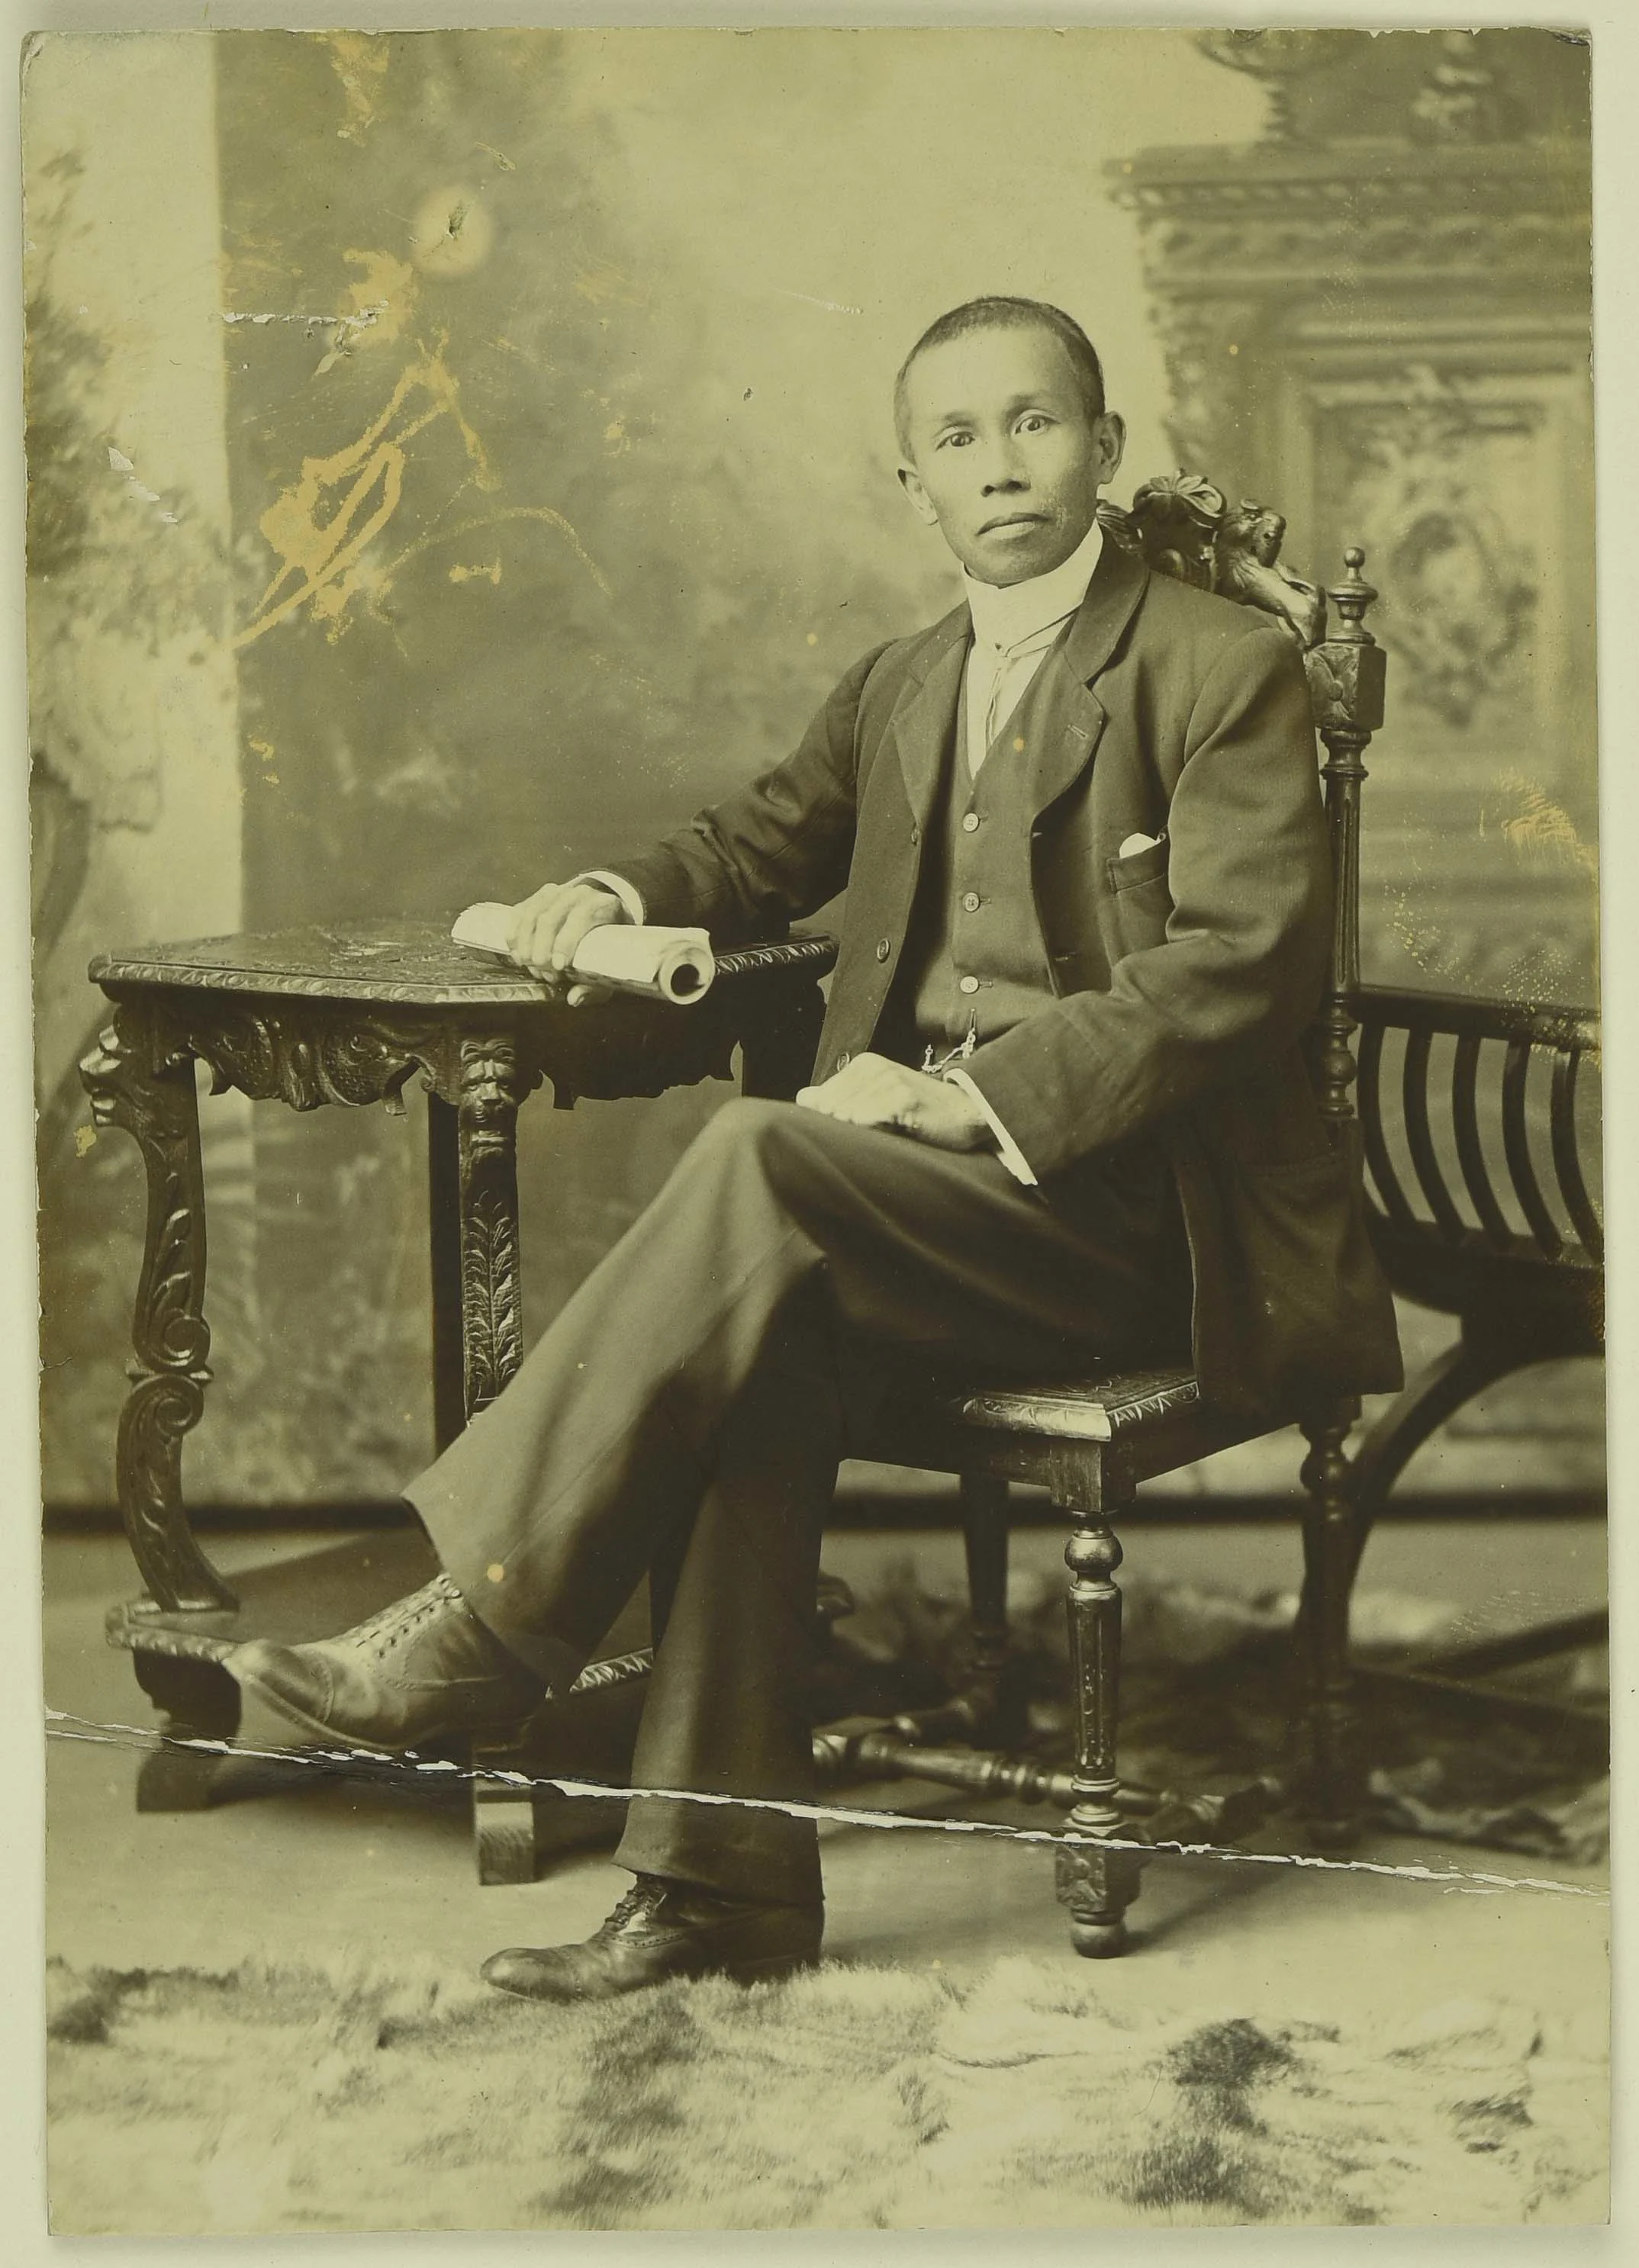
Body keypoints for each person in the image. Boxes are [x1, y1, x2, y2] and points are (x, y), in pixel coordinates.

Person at [228, 296, 1401, 2003]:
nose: (999, 465)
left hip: (1138, 1222)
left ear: (1105, 446)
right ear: (909, 480)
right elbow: (755, 840)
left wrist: (961, 1099)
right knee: (754, 1336)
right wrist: (615, 896)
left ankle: (485, 1617)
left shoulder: (1221, 668)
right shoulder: (906, 680)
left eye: (1035, 423)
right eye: (956, 438)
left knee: (758, 1168)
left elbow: (1241, 966)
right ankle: (724, 1891)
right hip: (930, 1222)